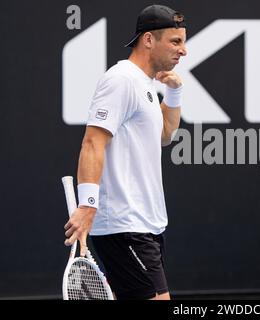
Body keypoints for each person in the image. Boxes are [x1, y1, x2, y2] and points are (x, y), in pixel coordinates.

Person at [63, 4, 187, 300]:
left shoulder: (143, 84)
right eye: (175, 41)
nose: (183, 51)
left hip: (148, 224)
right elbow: (93, 142)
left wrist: (174, 92)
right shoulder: (121, 80)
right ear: (148, 40)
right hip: (125, 224)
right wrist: (88, 205)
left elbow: (165, 135)